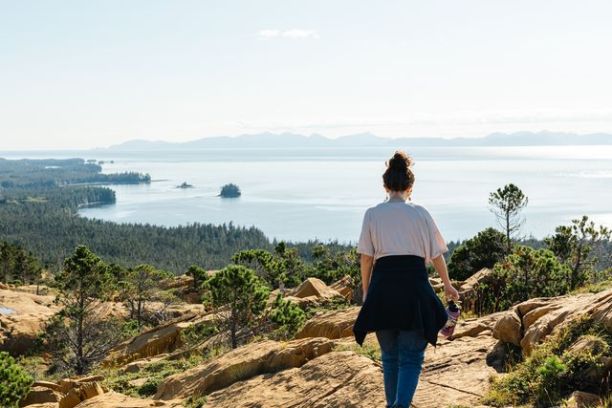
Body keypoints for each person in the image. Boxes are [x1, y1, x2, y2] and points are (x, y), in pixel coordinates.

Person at [352, 150, 460, 408]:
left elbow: (366, 258)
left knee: (389, 357)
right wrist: (447, 284)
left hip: (383, 289)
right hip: (414, 289)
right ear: (410, 187)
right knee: (411, 358)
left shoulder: (372, 214)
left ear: (385, 185)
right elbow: (436, 255)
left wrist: (367, 292)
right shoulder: (420, 213)